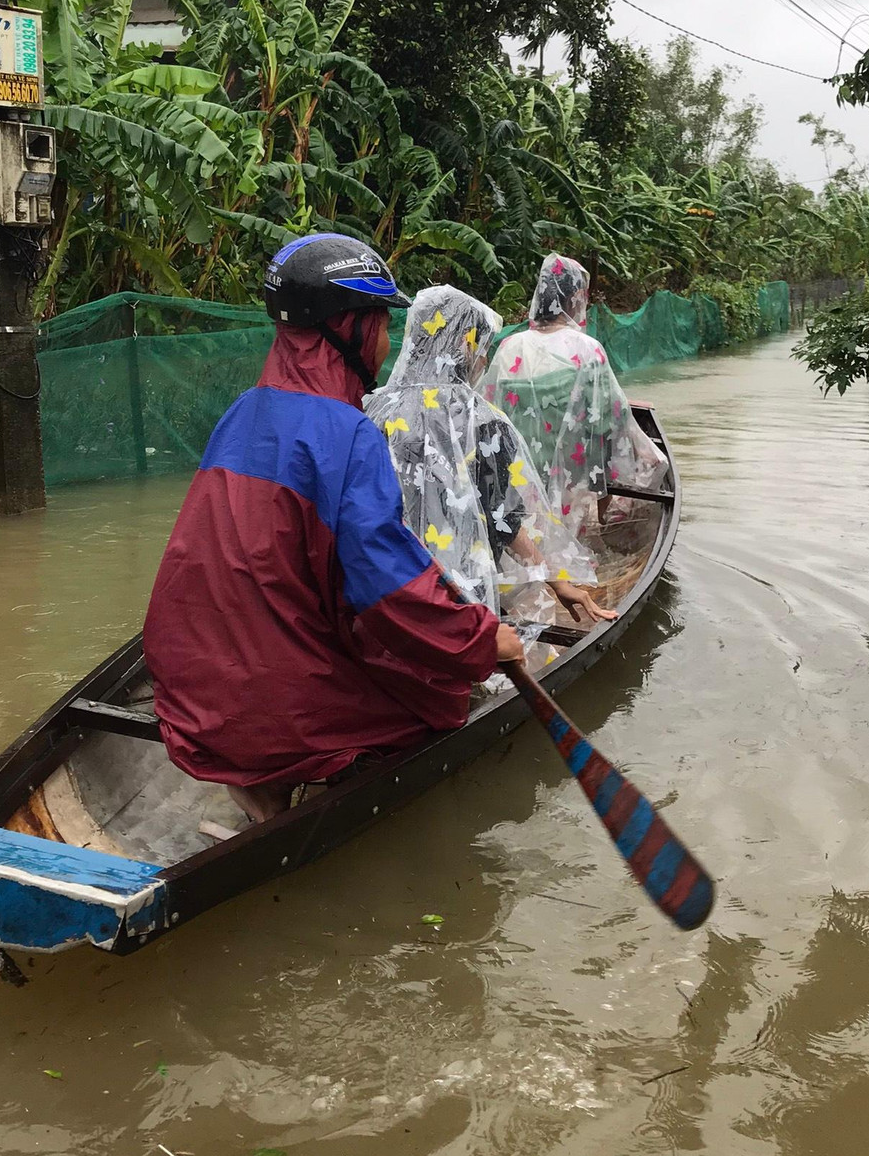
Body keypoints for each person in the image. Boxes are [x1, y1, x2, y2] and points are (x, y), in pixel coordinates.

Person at [143, 233, 524, 825]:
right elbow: (391, 593)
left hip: (187, 690)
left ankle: (261, 788)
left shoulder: (241, 412)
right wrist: (480, 641)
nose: (387, 344)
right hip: (271, 705)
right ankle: (309, 773)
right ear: (349, 328)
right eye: (381, 324)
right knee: (442, 698)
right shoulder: (348, 434)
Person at [365, 285, 613, 625]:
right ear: (465, 346)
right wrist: (558, 582)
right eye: (483, 349)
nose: (484, 360)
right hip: (458, 599)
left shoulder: (373, 408)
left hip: (380, 589)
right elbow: (503, 520)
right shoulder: (480, 420)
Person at [484, 253, 666, 550]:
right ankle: (602, 522)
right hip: (570, 471)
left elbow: (489, 412)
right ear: (574, 300)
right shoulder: (587, 349)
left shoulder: (509, 346)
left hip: (519, 471)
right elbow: (614, 418)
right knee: (608, 441)